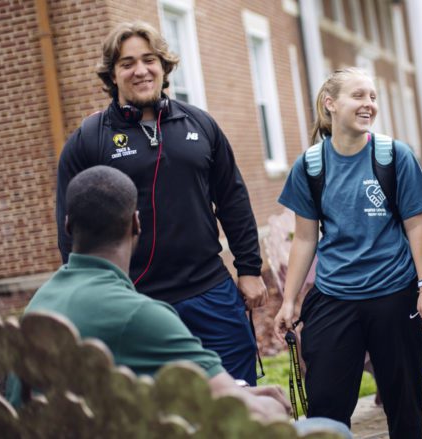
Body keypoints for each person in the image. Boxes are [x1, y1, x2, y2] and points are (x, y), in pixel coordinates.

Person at [55, 21, 265, 385]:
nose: (140, 71)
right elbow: (70, 224)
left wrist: (249, 269)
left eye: (149, 59)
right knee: (155, 412)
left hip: (209, 290)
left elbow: (232, 198)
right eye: (127, 63)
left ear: (163, 66)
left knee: (240, 401)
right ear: (113, 74)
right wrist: (90, 293)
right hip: (134, 300)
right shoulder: (89, 139)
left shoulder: (200, 124)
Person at [10, 166, 287, 421]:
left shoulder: (41, 303)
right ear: (136, 224)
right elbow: (253, 413)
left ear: (68, 225)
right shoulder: (139, 316)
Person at [273, 67, 422, 438]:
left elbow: (416, 226)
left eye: (373, 96)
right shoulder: (309, 166)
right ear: (330, 104)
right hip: (335, 298)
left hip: (395, 296)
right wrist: (289, 301)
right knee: (326, 409)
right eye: (359, 96)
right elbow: (305, 239)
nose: (369, 104)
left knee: (405, 406)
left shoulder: (394, 156)